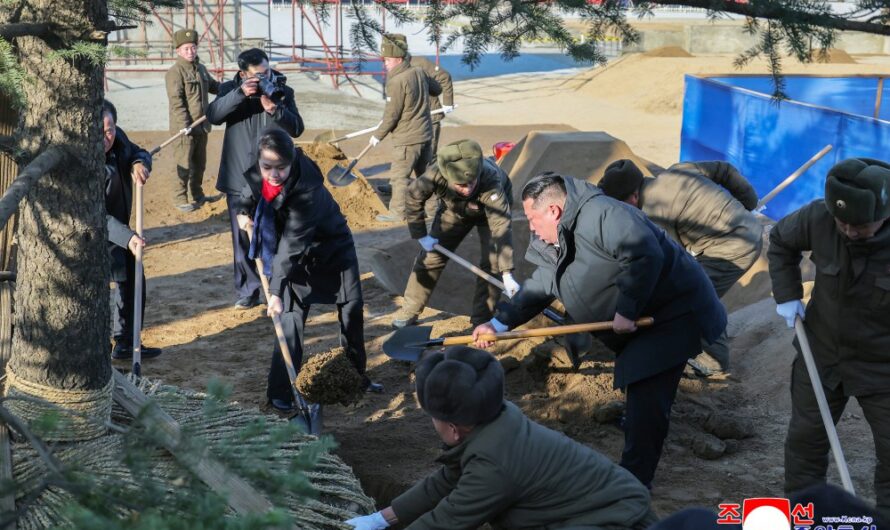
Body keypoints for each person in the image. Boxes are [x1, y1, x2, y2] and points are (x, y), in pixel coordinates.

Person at [471, 173, 726, 488]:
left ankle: (633, 483)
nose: (531, 227)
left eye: (533, 219)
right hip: (639, 323)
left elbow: (644, 254)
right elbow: (541, 284)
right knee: (640, 392)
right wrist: (497, 323)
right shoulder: (557, 236)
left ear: (553, 211)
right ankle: (635, 446)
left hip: (671, 316)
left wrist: (626, 309)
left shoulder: (603, 213)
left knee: (647, 397)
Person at [345, 346, 657, 530]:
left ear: (453, 427)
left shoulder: (494, 463)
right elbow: (444, 482)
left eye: (432, 416)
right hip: (597, 507)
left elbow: (447, 520)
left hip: (615, 520)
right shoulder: (493, 417)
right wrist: (380, 520)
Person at [768, 157, 890, 513]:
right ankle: (804, 515)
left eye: (860, 226)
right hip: (820, 355)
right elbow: (780, 241)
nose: (850, 232)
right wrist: (787, 294)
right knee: (805, 443)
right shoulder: (818, 218)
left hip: (883, 370)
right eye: (843, 223)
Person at [234, 128, 381, 413]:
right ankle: (280, 391)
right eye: (267, 167)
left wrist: (274, 291)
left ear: (293, 160)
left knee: (351, 311)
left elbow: (292, 243)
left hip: (332, 248)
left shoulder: (307, 189)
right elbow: (247, 192)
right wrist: (243, 210)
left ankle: (354, 377)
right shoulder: (259, 173)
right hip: (292, 256)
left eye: (281, 168)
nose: (273, 174)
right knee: (289, 318)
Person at [598, 159, 762, 372]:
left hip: (734, 248)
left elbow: (668, 262)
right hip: (742, 230)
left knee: (692, 295)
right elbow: (724, 169)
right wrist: (747, 202)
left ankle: (715, 360)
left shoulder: (655, 214)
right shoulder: (677, 171)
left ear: (635, 196)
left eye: (621, 205)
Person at [206, 48, 304, 309]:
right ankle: (249, 290)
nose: (265, 78)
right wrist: (240, 94)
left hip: (275, 177)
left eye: (267, 72)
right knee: (242, 237)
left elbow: (297, 128)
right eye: (258, 75)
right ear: (243, 74)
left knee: (281, 233)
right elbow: (213, 115)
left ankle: (280, 285)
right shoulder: (230, 89)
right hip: (239, 177)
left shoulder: (282, 91)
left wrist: (275, 108)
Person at [391, 139, 516, 329]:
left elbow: (501, 225)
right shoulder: (434, 174)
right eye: (461, 185)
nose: (467, 189)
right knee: (431, 258)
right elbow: (413, 196)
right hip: (454, 210)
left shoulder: (491, 179)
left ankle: (481, 320)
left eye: (471, 183)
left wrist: (506, 272)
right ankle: (410, 309)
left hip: (489, 212)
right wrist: (421, 234)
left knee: (492, 265)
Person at [102, 100, 162, 360]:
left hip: (122, 231)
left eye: (110, 129)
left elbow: (139, 151)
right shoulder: (85, 164)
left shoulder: (118, 140)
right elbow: (95, 215)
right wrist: (128, 238)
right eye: (99, 130)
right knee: (103, 289)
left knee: (132, 281)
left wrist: (139, 162)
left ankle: (127, 341)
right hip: (96, 234)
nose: (106, 137)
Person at [371, 34, 441, 223]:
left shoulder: (396, 82)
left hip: (407, 140)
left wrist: (378, 135)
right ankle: (433, 211)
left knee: (399, 178)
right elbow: (437, 89)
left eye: (387, 60)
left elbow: (391, 115)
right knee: (426, 176)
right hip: (425, 135)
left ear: (398, 59)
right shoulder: (419, 72)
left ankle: (397, 212)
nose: (384, 64)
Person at [164, 28, 222, 212]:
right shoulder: (175, 73)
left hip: (201, 126)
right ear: (178, 51)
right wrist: (184, 126)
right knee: (184, 163)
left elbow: (213, 86)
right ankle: (180, 197)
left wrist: (232, 88)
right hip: (185, 129)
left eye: (193, 48)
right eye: (186, 49)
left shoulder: (201, 69)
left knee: (200, 164)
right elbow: (176, 102)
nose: (191, 52)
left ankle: (198, 195)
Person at [389, 33, 454, 159]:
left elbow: (445, 77)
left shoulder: (420, 63)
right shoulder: (392, 69)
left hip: (430, 117)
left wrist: (447, 102)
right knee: (411, 158)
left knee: (428, 157)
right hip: (410, 122)